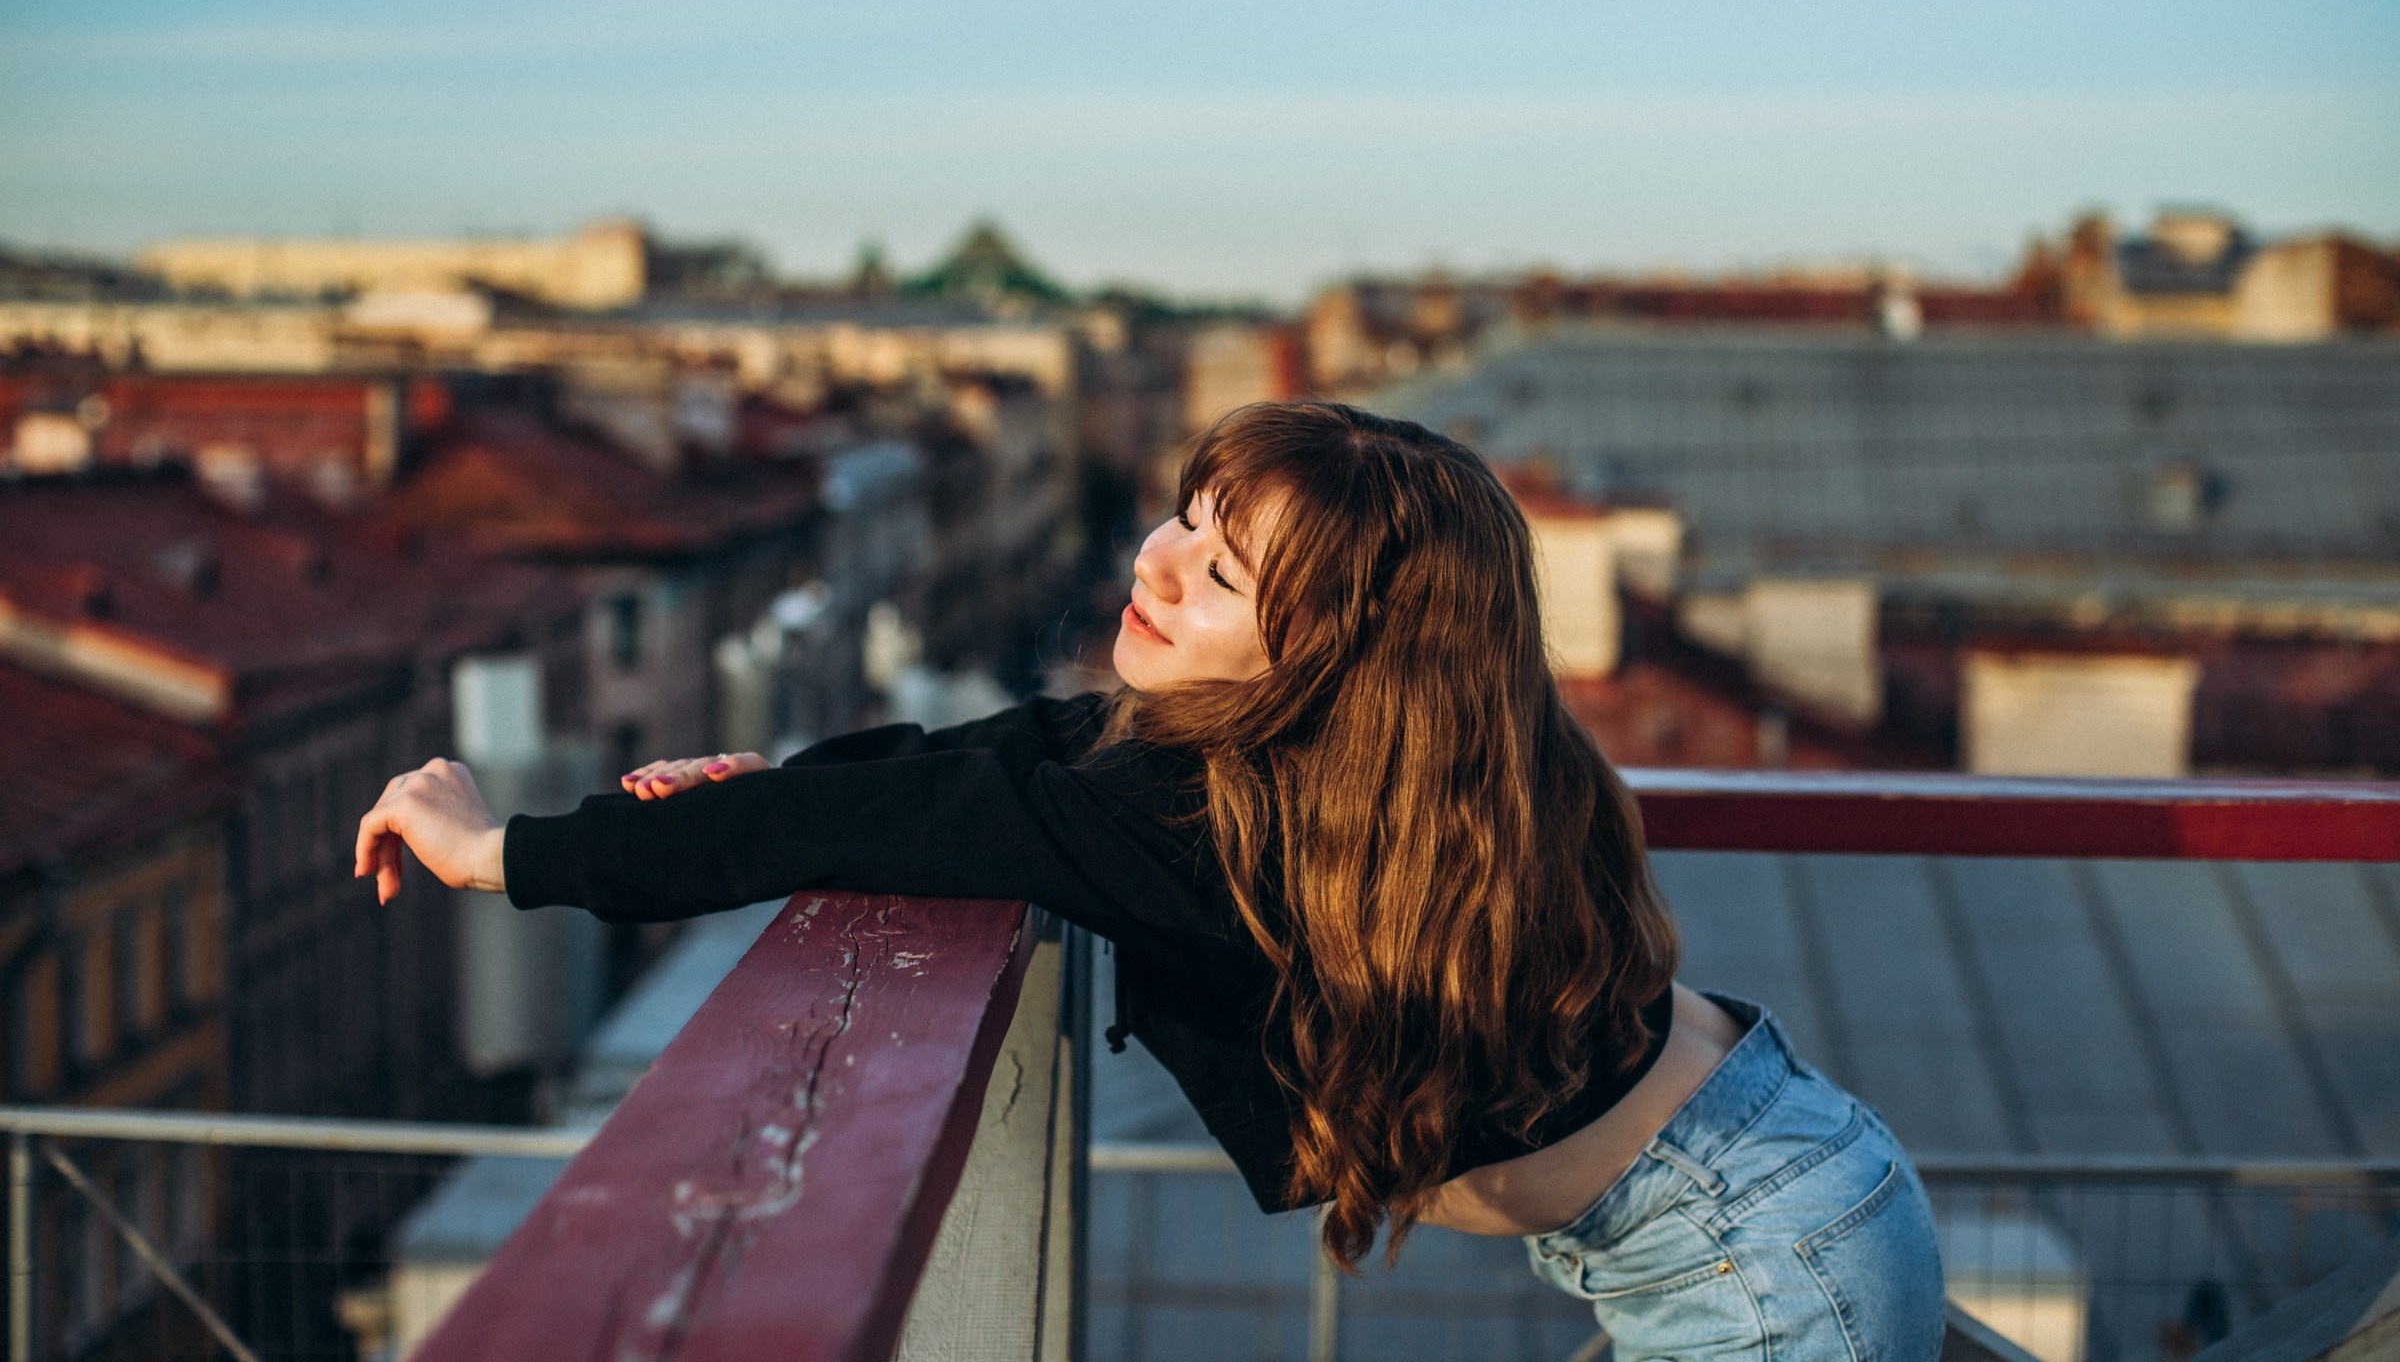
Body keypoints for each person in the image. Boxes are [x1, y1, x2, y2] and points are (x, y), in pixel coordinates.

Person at [355, 401, 1946, 1360]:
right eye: (1183, 518)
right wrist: (773, 780)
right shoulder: (1385, 767)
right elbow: (999, 758)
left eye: (1221, 569)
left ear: (1339, 655)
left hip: (1753, 1261)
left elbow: (927, 821)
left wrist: (503, 856)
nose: (1155, 565)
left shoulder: (1209, 818)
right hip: (1781, 1174)